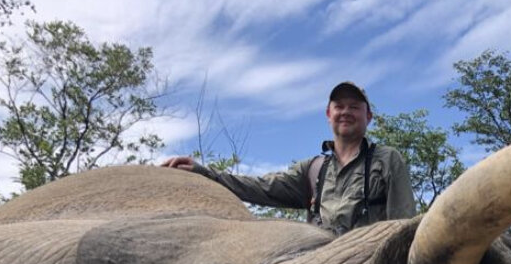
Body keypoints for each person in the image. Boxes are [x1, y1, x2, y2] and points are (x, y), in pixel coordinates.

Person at [161, 82, 415, 235]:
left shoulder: (387, 160)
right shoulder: (314, 169)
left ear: (368, 116)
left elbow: (403, 229)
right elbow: (261, 187)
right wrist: (204, 174)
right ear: (328, 114)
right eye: (339, 106)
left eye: (354, 107)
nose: (345, 112)